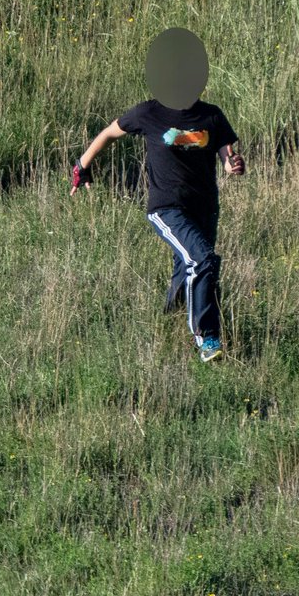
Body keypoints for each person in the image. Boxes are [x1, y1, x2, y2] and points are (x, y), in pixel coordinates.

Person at [70, 28, 245, 362]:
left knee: (188, 267)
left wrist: (232, 164)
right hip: (166, 208)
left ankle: (169, 323)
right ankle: (206, 339)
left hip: (204, 208)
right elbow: (108, 133)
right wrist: (82, 166)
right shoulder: (148, 113)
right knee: (202, 260)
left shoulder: (212, 115)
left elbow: (226, 153)